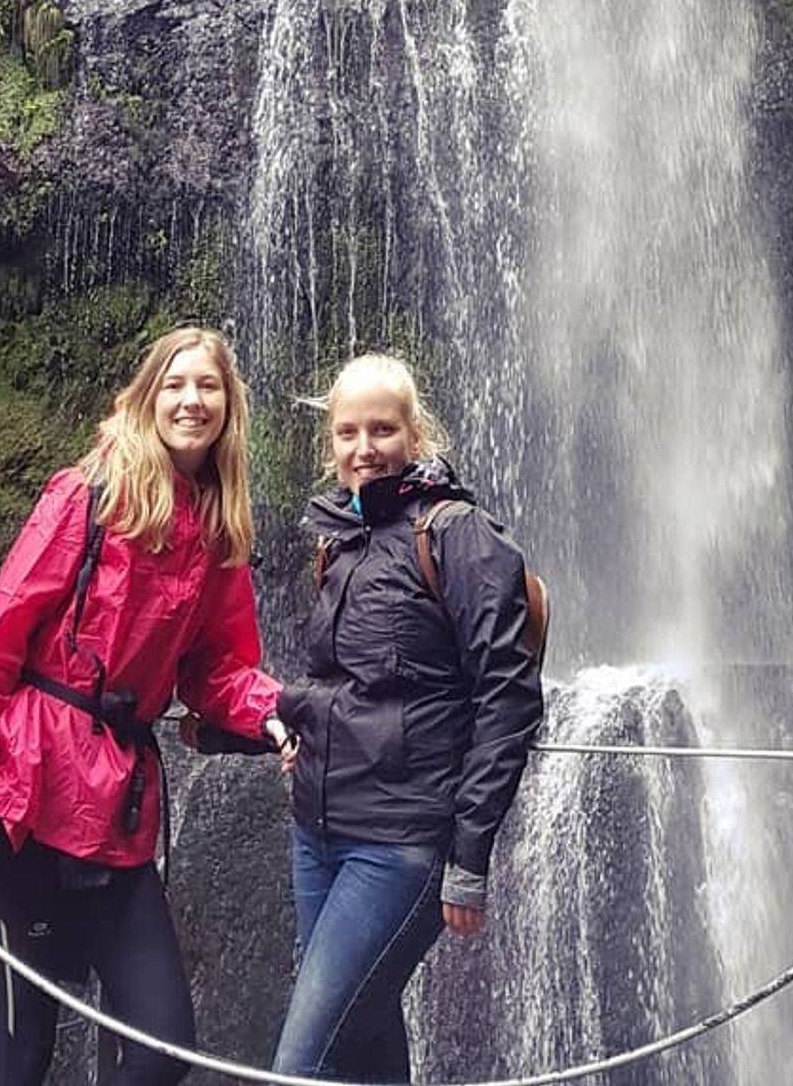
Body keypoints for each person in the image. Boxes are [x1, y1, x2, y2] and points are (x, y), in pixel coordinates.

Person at [0, 325, 289, 1086]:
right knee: (21, 1051)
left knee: (161, 1046)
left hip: (115, 808)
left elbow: (218, 671)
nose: (192, 400)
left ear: (230, 406)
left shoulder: (219, 530)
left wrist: (279, 711)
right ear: (149, 394)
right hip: (20, 795)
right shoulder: (87, 494)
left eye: (209, 387)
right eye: (177, 384)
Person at [271, 353, 545, 1082]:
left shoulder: (458, 534)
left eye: (383, 429)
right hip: (317, 834)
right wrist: (301, 729)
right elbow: (343, 682)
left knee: (304, 1065)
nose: (365, 449)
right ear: (330, 443)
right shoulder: (339, 538)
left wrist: (470, 857)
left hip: (399, 847)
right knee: (362, 1043)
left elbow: (509, 693)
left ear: (414, 434)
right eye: (348, 432)